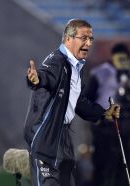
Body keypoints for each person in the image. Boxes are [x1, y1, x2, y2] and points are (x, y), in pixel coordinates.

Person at [24, 19, 120, 186]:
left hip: (63, 139)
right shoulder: (56, 61)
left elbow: (79, 102)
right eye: (84, 38)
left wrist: (104, 113)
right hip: (46, 138)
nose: (88, 43)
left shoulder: (75, 66)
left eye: (91, 39)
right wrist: (35, 79)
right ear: (68, 39)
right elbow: (45, 76)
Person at [84, 42, 130, 186]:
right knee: (102, 167)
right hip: (105, 127)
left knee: (125, 169)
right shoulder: (100, 73)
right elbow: (86, 100)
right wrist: (97, 118)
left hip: (127, 128)